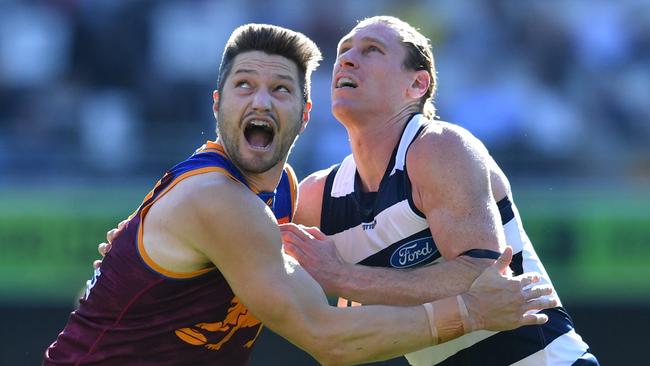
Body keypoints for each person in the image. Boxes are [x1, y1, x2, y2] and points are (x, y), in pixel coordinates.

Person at [43, 23, 556, 366]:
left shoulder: (290, 196)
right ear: (217, 104)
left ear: (304, 113)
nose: (262, 99)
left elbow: (478, 271)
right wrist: (469, 313)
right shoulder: (220, 198)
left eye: (282, 89)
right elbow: (328, 334)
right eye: (244, 85)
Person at [280, 16, 598, 365]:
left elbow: (480, 275)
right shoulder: (315, 196)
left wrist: (344, 278)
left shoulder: (440, 147)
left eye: (372, 49)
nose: (347, 59)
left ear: (417, 84)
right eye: (343, 51)